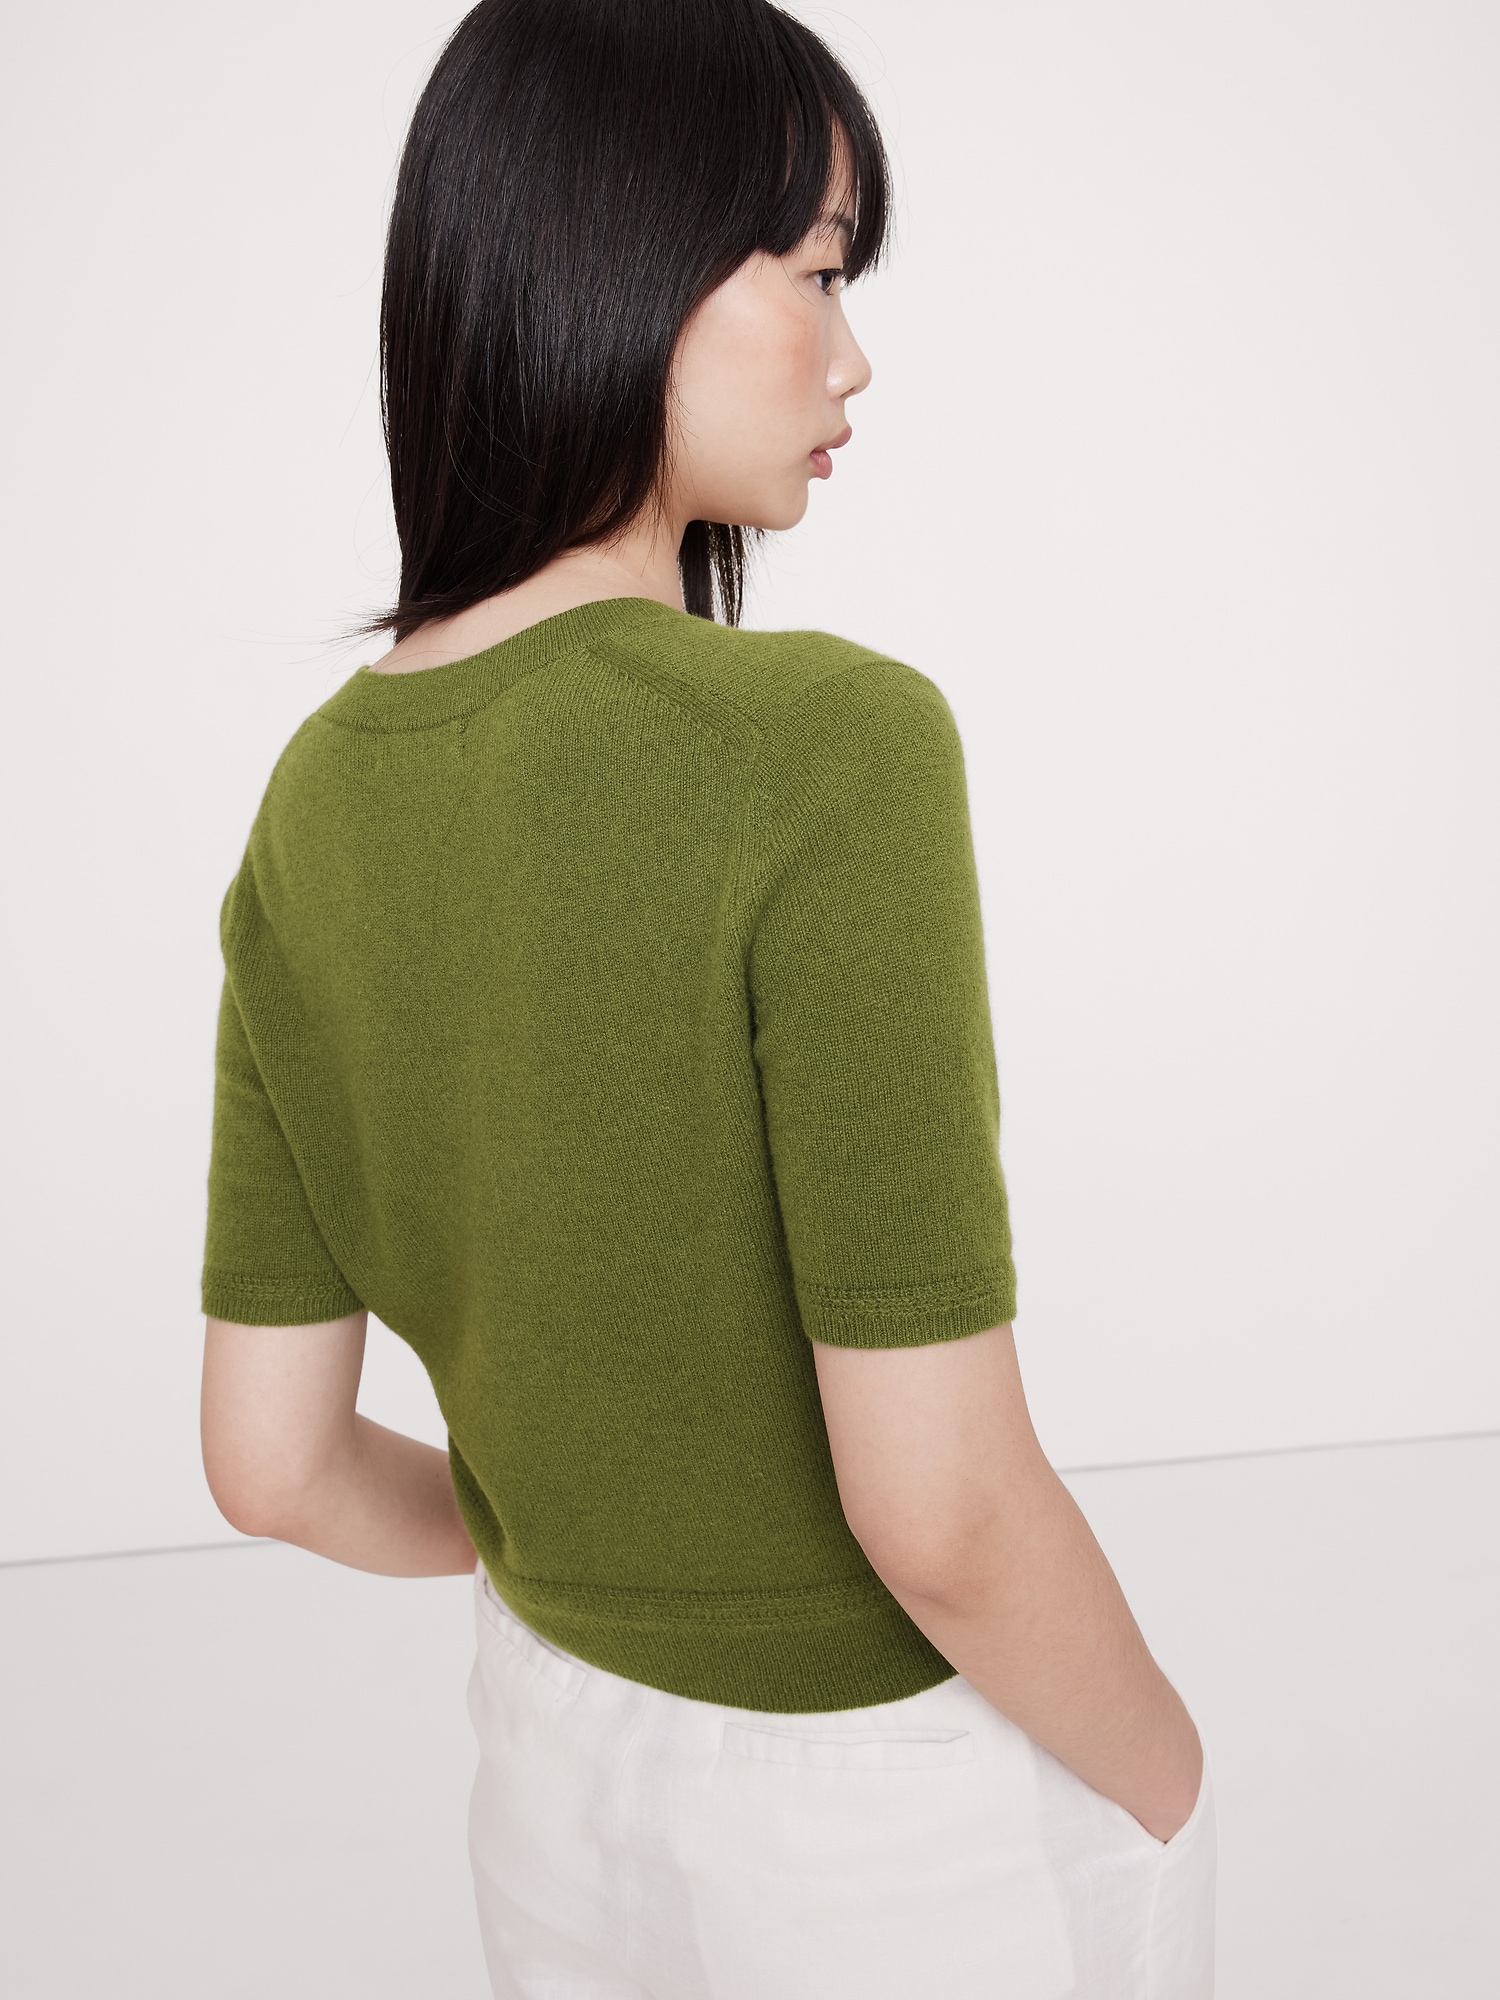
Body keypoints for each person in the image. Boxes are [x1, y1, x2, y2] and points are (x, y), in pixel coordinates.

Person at [198, 1, 1215, 1992]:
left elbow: (272, 1464)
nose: (853, 354)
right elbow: (944, 1510)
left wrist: (575, 1527)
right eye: (818, 271)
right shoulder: (825, 746)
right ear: (622, 254)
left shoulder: (314, 804)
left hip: (546, 1779)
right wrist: (1171, 1782)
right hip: (890, 1827)